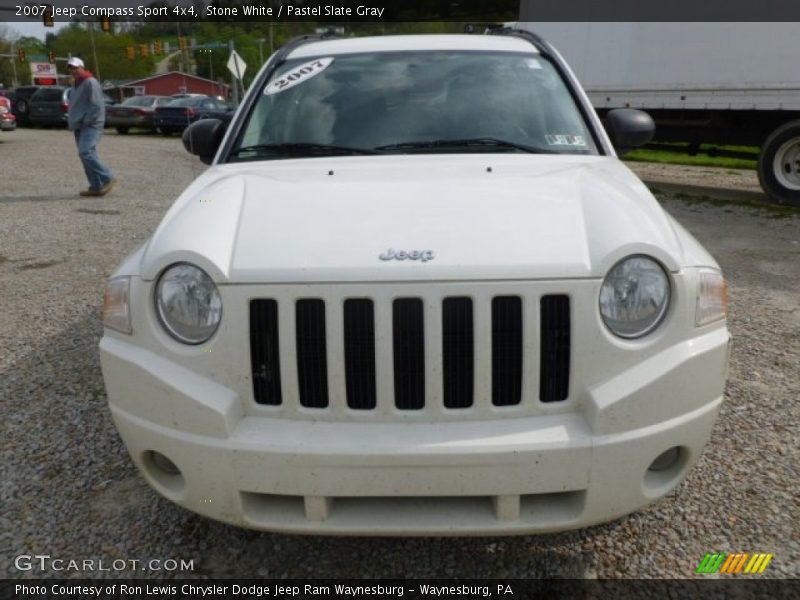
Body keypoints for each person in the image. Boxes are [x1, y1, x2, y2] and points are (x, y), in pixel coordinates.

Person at [66, 57, 115, 197]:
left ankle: (108, 177)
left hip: (91, 124)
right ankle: (95, 186)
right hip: (79, 125)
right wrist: (73, 122)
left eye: (75, 67)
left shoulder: (90, 82)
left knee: (85, 152)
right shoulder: (75, 84)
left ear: (82, 67)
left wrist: (86, 121)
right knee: (86, 155)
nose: (73, 70)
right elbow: (76, 106)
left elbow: (96, 105)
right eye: (70, 68)